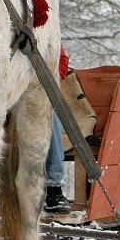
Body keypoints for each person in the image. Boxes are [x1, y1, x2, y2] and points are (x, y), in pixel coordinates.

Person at [44, 47, 72, 214]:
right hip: (4, 91)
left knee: (50, 116)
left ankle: (53, 187)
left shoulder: (47, 26)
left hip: (38, 90)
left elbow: (61, 60)